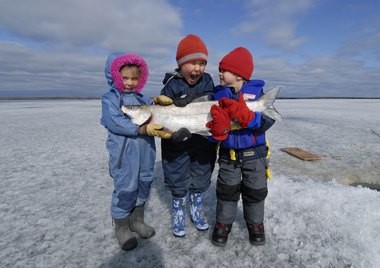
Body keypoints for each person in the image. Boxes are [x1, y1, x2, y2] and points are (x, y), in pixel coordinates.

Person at [100, 52, 172, 251]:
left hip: (146, 152)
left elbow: (152, 113)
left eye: (134, 78)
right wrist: (140, 129)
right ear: (115, 75)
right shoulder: (110, 98)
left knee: (144, 183)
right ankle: (122, 227)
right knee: (126, 187)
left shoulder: (142, 98)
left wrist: (157, 103)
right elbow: (115, 122)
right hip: (125, 155)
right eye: (125, 78)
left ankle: (137, 220)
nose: (130, 83)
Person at [206, 47, 276, 247]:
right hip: (229, 156)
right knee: (227, 191)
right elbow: (209, 129)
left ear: (238, 76)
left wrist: (250, 118)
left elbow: (267, 122)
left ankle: (256, 225)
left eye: (223, 70)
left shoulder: (257, 96)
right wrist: (216, 134)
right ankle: (223, 224)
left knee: (255, 190)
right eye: (219, 70)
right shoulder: (216, 97)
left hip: (255, 156)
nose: (219, 73)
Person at [160, 34, 216, 237]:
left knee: (201, 173)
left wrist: (193, 99)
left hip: (202, 140)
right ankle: (178, 209)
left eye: (202, 63)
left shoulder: (208, 80)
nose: (198, 68)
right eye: (193, 62)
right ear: (181, 64)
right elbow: (162, 115)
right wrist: (171, 135)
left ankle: (196, 206)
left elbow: (211, 100)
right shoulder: (171, 86)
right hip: (178, 144)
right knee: (177, 175)